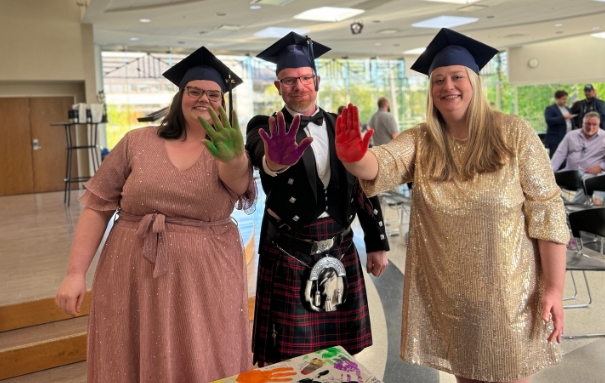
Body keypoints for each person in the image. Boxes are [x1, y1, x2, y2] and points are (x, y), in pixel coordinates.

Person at [335, 28, 568, 383]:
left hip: (510, 297)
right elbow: (381, 165)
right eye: (438, 79)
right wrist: (355, 158)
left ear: (474, 80)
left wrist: (554, 288)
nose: (448, 86)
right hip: (453, 299)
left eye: (457, 76)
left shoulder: (514, 133)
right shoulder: (422, 140)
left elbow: (547, 212)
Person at [54, 47, 256, 382]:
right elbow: (98, 205)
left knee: (203, 348)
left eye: (213, 94)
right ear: (181, 96)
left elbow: (239, 188)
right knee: (130, 345)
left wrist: (234, 158)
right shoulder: (136, 142)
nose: (203, 99)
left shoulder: (229, 150)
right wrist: (75, 273)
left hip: (205, 277)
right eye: (194, 91)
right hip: (131, 270)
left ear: (224, 102)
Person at [244, 32, 390, 366]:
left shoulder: (342, 125)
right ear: (278, 86)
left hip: (340, 244)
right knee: (292, 354)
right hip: (290, 249)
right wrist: (274, 161)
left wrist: (377, 241)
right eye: (289, 80)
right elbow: (259, 155)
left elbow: (365, 185)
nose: (299, 85)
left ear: (317, 80)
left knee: (341, 348)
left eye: (305, 78)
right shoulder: (266, 126)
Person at [551, 112, 605, 205]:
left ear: (599, 124)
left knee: (589, 183)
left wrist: (601, 167)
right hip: (570, 173)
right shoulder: (571, 135)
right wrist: (549, 172)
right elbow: (559, 155)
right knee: (546, 183)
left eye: (594, 124)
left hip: (590, 174)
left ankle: (573, 209)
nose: (591, 127)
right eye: (588, 124)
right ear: (582, 123)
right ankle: (564, 206)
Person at [544, 90, 573, 157]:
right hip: (556, 139)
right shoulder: (550, 109)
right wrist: (563, 118)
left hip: (568, 137)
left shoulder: (567, 109)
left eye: (566, 99)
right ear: (557, 98)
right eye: (563, 99)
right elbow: (549, 120)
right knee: (555, 157)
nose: (565, 101)